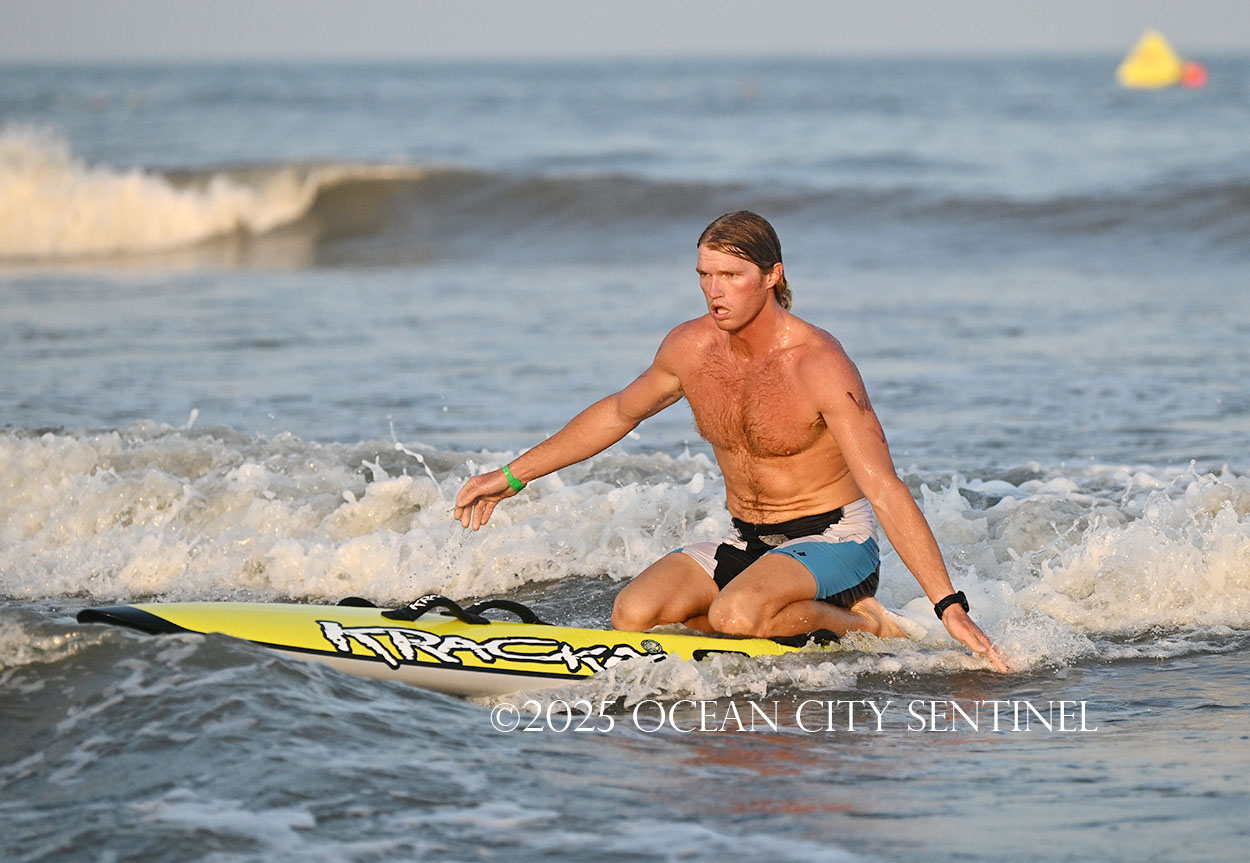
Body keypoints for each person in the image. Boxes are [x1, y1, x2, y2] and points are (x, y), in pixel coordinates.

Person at [454, 211, 1008, 671]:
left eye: (731, 276)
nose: (714, 291)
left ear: (772, 276)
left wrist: (948, 605)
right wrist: (511, 476)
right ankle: (765, 610)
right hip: (747, 540)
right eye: (704, 275)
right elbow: (619, 412)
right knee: (633, 615)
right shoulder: (691, 348)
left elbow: (884, 487)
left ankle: (867, 622)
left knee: (736, 617)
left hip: (835, 540)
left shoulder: (819, 364)